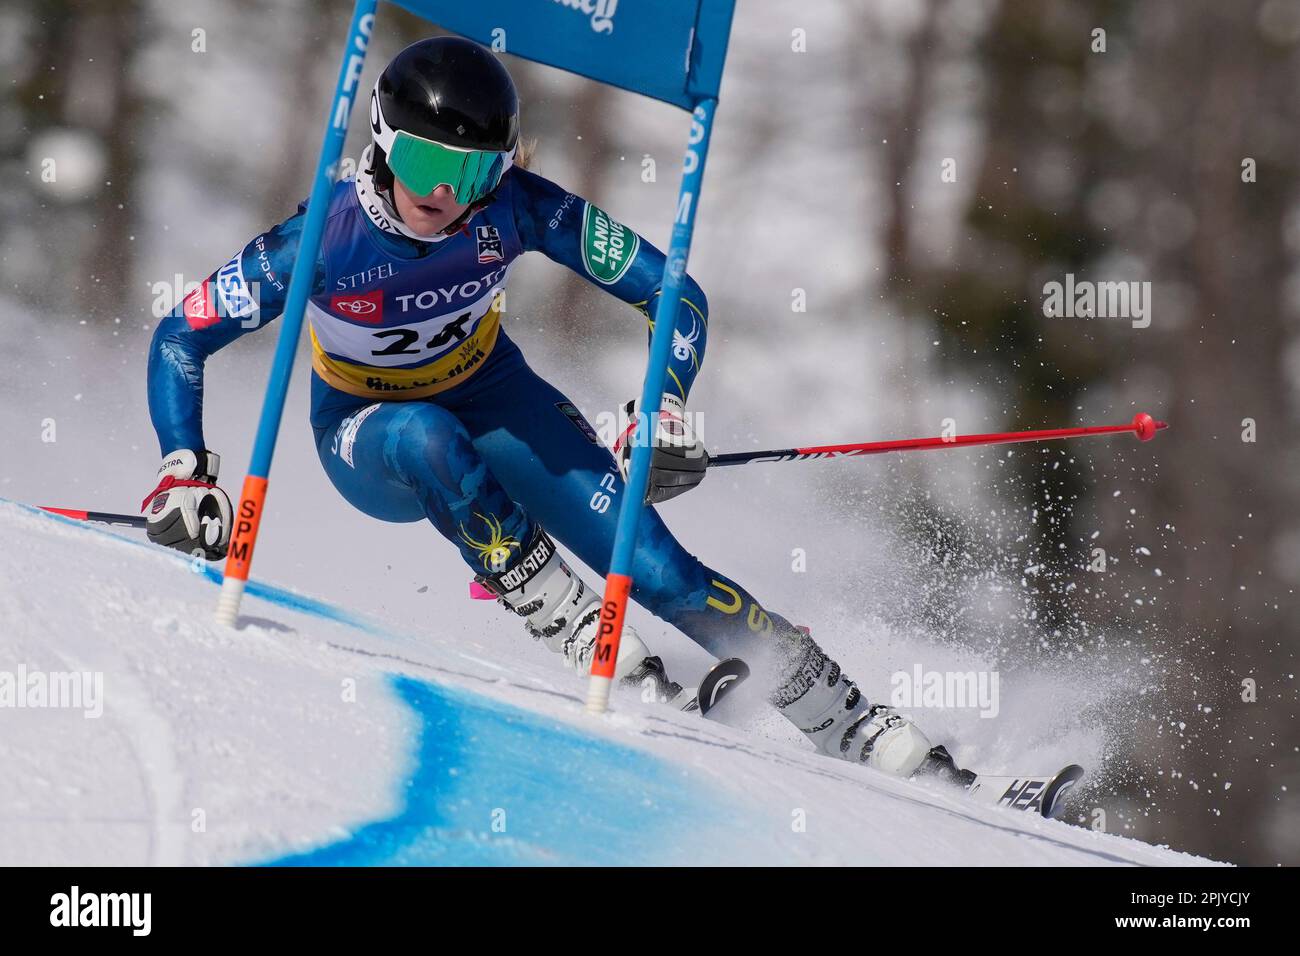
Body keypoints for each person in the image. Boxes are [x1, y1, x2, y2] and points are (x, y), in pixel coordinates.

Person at [142, 36, 944, 779]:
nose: (444, 194)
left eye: (473, 172)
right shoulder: (320, 238)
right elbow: (182, 335)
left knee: (663, 572)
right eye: (424, 161)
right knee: (427, 437)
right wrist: (185, 467)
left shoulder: (518, 207)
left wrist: (663, 405)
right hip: (366, 432)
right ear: (383, 142)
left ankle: (854, 722)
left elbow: (677, 297)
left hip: (496, 397)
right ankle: (568, 620)